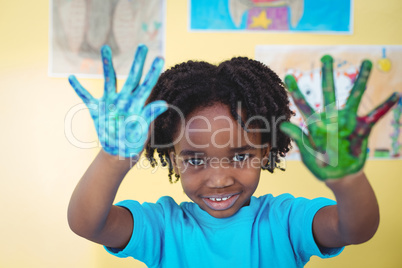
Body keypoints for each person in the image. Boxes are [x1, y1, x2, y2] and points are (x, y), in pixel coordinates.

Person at [67, 44, 399, 267]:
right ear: (171, 159)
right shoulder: (163, 227)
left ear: (264, 153)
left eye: (240, 156)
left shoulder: (284, 220)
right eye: (195, 160)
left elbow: (356, 230)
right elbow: (87, 224)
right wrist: (112, 160)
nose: (220, 179)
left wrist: (347, 180)